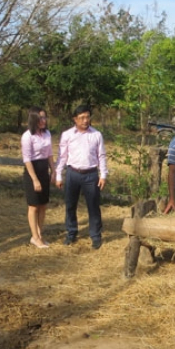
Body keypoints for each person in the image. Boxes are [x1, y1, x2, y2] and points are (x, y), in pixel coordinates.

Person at [55, 105, 108, 249]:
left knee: (93, 206)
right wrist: (58, 175)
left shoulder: (96, 135)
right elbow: (62, 156)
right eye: (82, 118)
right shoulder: (67, 135)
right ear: (75, 119)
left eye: (87, 117)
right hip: (73, 173)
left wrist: (103, 175)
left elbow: (101, 156)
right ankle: (71, 233)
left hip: (91, 174)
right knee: (70, 205)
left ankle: (96, 236)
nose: (85, 120)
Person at [21, 106, 56, 249]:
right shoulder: (27, 136)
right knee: (34, 206)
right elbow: (27, 159)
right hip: (32, 172)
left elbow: (49, 154)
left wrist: (53, 171)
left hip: (44, 171)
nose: (43, 120)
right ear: (33, 119)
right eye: (40, 118)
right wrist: (34, 179)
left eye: (45, 117)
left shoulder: (47, 134)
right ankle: (34, 237)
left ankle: (40, 234)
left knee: (43, 205)